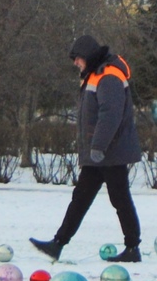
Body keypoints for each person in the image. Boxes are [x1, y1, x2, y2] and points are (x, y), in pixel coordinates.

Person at [31, 34, 142, 264]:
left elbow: (110, 115)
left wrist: (99, 146)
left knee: (119, 199)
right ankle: (58, 243)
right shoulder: (95, 74)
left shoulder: (108, 75)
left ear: (88, 56)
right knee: (81, 198)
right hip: (98, 154)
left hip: (110, 152)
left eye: (77, 58)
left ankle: (132, 247)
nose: (75, 63)